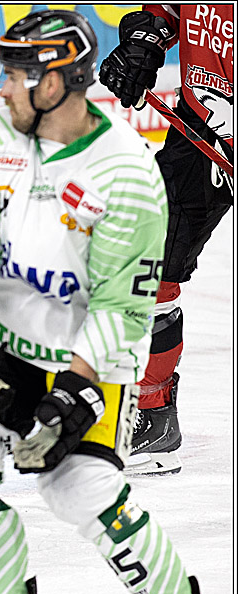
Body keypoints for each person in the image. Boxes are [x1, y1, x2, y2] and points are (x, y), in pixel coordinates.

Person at [0, 9, 222, 594]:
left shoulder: (127, 173)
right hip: (6, 347)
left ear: (55, 82)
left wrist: (77, 389)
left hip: (90, 361)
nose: (2, 87)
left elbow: (123, 305)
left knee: (78, 487)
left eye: (16, 75)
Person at [98, 5, 234, 475]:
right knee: (145, 259)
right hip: (201, 131)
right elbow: (169, 11)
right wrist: (145, 43)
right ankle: (151, 418)